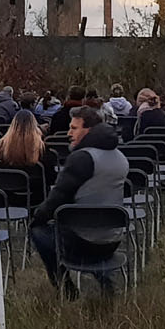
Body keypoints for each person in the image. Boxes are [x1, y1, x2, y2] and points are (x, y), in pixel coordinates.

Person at [29, 106, 128, 298]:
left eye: (74, 128)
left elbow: (57, 197)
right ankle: (105, 281)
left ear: (89, 130)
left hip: (82, 242)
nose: (69, 133)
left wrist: (37, 218)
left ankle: (65, 287)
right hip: (113, 239)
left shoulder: (82, 158)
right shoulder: (120, 157)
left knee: (38, 231)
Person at [0, 110, 59, 206]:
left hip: (6, 198)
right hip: (35, 199)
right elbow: (50, 178)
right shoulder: (42, 149)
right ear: (35, 126)